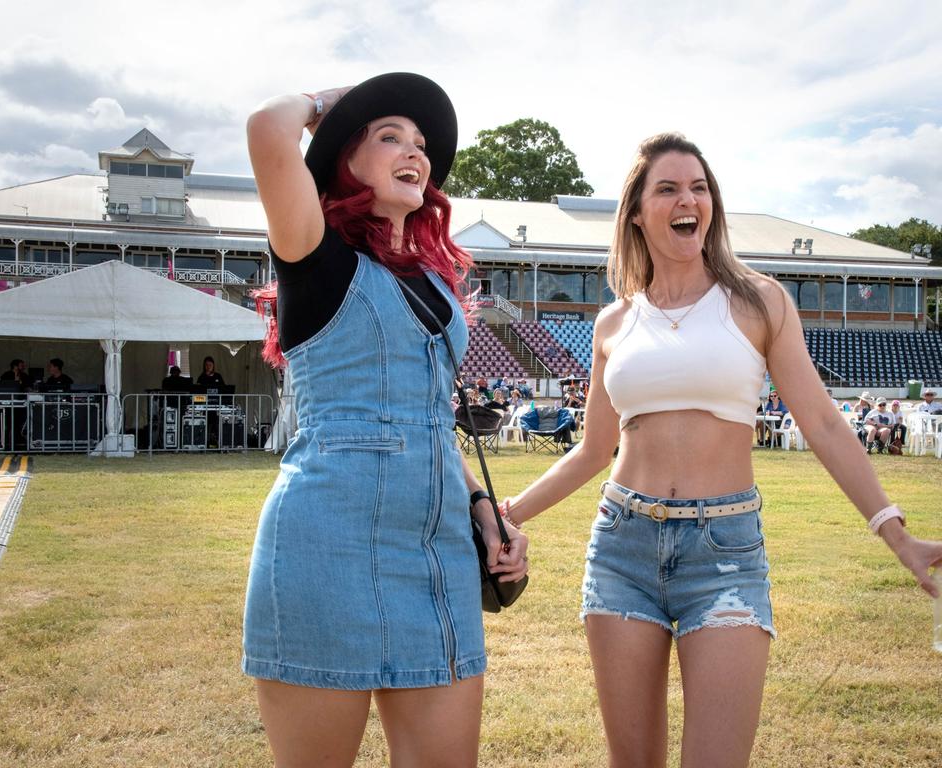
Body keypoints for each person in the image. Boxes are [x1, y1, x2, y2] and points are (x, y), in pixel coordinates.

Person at [496, 132, 942, 768]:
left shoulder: (759, 300)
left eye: (700, 187)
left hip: (725, 552)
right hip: (622, 544)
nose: (690, 200)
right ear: (637, 212)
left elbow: (821, 421)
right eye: (670, 188)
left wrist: (897, 534)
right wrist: (509, 512)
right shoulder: (615, 322)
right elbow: (593, 449)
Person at [241, 72, 528, 766]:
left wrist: (483, 507)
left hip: (438, 562)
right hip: (324, 547)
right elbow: (264, 130)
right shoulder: (314, 254)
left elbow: (429, 420)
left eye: (422, 144)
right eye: (389, 136)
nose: (415, 153)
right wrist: (321, 106)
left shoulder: (437, 282)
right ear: (345, 158)